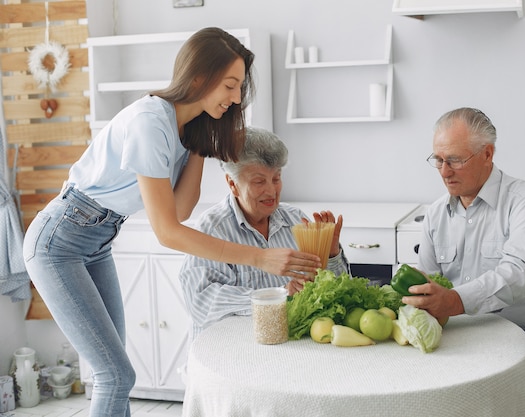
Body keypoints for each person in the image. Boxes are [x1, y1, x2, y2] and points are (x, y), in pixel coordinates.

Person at [22, 28, 321, 417]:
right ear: (198, 78)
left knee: (113, 372)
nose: (235, 98)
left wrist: (200, 143)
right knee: (115, 374)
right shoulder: (150, 122)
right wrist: (259, 259)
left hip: (96, 242)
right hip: (58, 243)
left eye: (239, 88)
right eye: (229, 86)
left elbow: (181, 209)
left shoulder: (183, 128)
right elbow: (168, 231)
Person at [404, 107, 525, 400]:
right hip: (463, 335)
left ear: (487, 154)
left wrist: (455, 300)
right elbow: (428, 285)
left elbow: (518, 275)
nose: (444, 171)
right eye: (439, 160)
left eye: (455, 159)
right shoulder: (435, 214)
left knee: (489, 401)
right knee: (419, 396)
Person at [179, 127, 350, 341]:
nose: (271, 191)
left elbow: (334, 293)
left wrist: (331, 254)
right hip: (230, 351)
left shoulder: (295, 220)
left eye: (276, 178)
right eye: (259, 181)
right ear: (232, 184)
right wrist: (278, 296)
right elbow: (201, 302)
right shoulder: (212, 229)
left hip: (285, 347)